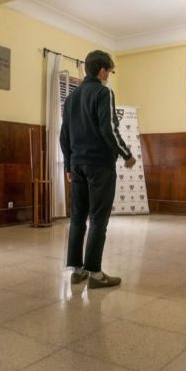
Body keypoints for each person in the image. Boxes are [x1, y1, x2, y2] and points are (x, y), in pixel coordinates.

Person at [59, 50, 136, 289]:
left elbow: (64, 136)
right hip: (100, 166)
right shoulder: (104, 92)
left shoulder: (71, 98)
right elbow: (109, 129)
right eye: (110, 71)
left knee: (78, 219)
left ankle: (76, 270)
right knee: (98, 220)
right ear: (102, 70)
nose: (109, 76)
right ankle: (95, 274)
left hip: (78, 165)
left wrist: (70, 165)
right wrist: (126, 154)